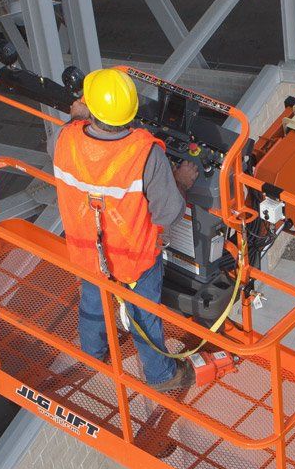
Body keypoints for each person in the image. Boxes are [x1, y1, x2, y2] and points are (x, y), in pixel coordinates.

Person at [53, 68, 200, 393]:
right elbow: (169, 212)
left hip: (87, 255)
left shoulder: (65, 140)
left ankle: (92, 355)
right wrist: (180, 182)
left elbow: (77, 144)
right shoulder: (147, 154)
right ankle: (162, 376)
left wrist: (77, 118)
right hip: (135, 262)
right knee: (143, 318)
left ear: (91, 109)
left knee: (92, 304)